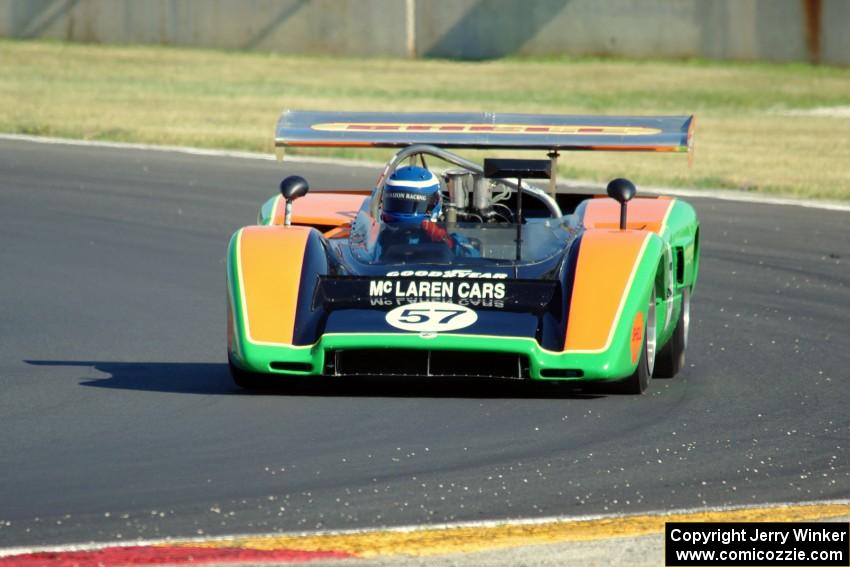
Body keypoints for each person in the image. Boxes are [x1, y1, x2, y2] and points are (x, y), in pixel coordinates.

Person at [379, 165, 478, 257]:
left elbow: (474, 258)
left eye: (411, 205)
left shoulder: (444, 237)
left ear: (433, 202)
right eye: (398, 204)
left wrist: (447, 241)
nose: (404, 211)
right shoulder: (381, 239)